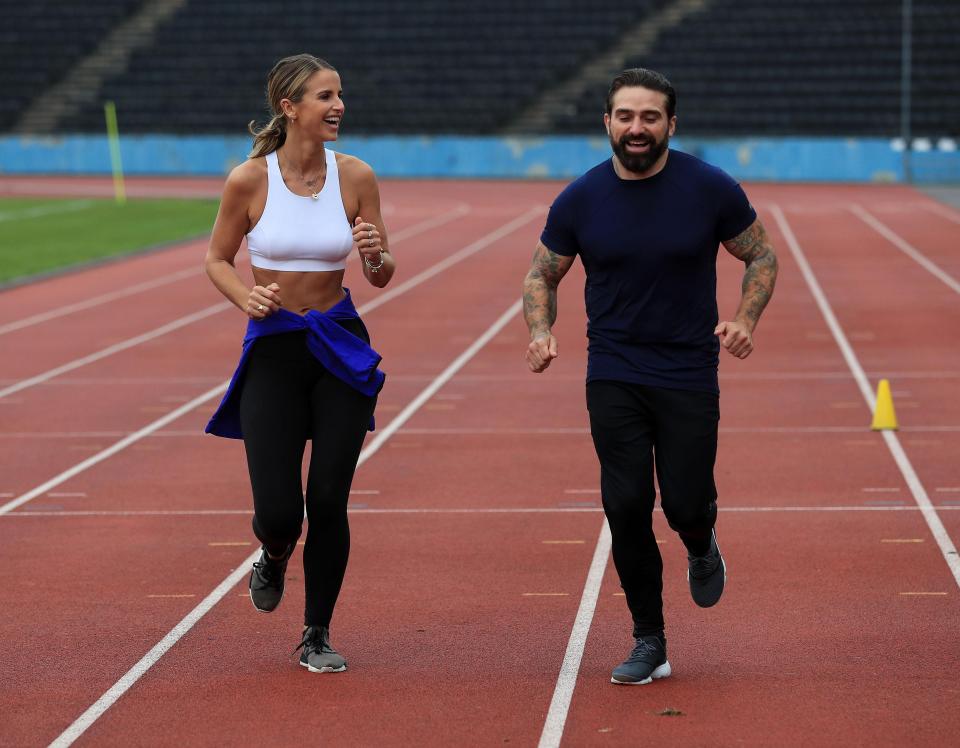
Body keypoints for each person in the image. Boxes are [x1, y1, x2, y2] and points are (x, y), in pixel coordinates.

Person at [522, 68, 777, 685]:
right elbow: (542, 275)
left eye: (650, 117)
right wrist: (539, 329)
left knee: (686, 501)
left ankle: (700, 542)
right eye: (626, 116)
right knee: (626, 502)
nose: (638, 128)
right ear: (606, 122)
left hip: (688, 368)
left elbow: (760, 254)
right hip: (614, 368)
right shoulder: (580, 198)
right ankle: (649, 639)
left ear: (670, 124)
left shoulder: (709, 189)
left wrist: (744, 318)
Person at [203, 54, 395, 674]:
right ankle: (275, 552)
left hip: (338, 348)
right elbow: (216, 259)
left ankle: (316, 633)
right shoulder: (249, 180)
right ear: (289, 108)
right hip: (276, 351)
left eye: (340, 94)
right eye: (324, 96)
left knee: (330, 497)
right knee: (281, 512)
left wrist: (375, 257)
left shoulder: (357, 175)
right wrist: (245, 296)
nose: (338, 105)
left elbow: (382, 273)